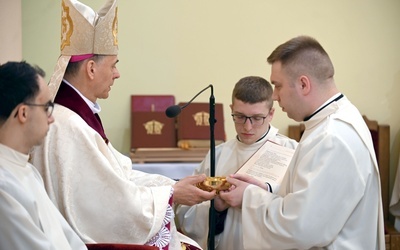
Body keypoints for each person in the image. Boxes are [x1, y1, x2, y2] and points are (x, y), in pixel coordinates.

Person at [30, 0, 214, 249]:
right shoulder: (68, 126)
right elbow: (108, 206)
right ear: (91, 69)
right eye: (114, 64)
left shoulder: (77, 116)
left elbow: (119, 175)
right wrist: (172, 195)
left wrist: (172, 186)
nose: (117, 74)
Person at [217, 35, 386, 249]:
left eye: (277, 86)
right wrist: (269, 190)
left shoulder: (332, 138)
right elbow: (315, 201)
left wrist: (249, 196)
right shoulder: (334, 121)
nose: (275, 96)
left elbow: (300, 228)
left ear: (303, 84)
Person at [175, 76, 298, 249]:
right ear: (231, 109)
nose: (247, 127)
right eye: (240, 116)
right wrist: (216, 208)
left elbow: (301, 211)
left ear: (271, 114)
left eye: (257, 118)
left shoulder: (291, 152)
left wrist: (256, 195)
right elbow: (185, 213)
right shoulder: (218, 154)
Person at [0, 61, 87, 250]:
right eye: (46, 107)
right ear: (23, 113)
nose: (51, 117)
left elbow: (69, 240)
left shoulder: (29, 171)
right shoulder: (3, 186)